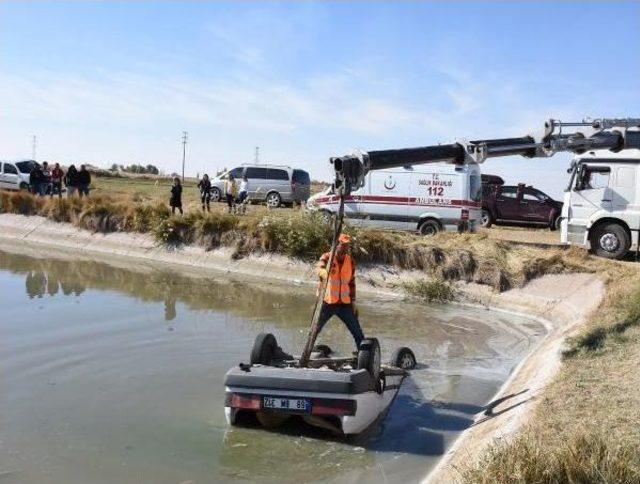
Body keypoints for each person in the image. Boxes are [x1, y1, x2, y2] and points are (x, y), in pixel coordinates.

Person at [315, 233, 364, 350]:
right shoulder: (327, 257)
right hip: (327, 303)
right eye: (343, 245)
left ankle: (363, 354)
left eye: (347, 245)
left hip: (344, 304)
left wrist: (353, 302)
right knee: (314, 330)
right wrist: (323, 273)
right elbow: (318, 268)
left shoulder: (350, 261)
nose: (346, 248)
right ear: (336, 244)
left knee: (357, 332)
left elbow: (352, 283)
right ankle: (307, 352)